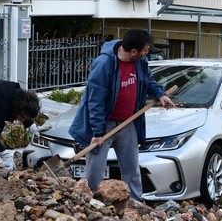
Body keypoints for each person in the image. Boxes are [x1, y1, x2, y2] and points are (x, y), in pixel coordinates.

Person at [69, 29, 175, 201]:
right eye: (145, 50)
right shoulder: (104, 64)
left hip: (127, 124)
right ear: (134, 51)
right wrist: (97, 132)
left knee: (132, 169)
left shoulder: (140, 62)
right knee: (95, 172)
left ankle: (134, 203)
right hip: (104, 126)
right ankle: (91, 205)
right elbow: (95, 101)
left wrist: (160, 94)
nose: (147, 53)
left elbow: (148, 81)